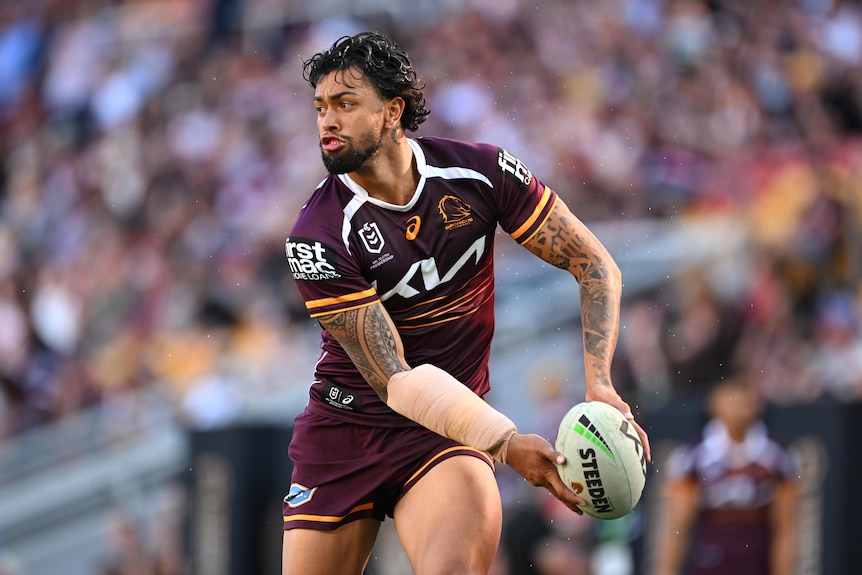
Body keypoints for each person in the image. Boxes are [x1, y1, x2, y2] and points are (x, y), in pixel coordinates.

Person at [281, 31, 651, 575]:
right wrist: (504, 442)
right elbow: (397, 380)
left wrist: (600, 382)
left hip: (443, 435)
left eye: (344, 104)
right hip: (344, 432)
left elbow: (594, 265)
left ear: (392, 112)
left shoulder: (482, 174)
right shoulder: (316, 235)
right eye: (320, 108)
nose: (327, 123)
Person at [652, 375, 799, 575]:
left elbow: (786, 532)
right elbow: (677, 532)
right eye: (732, 392)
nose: (741, 400)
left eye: (746, 391)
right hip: (710, 565)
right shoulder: (694, 457)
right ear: (714, 401)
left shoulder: (777, 457)